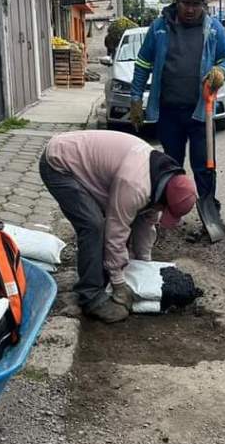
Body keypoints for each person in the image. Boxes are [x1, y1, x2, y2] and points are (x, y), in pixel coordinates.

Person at [39, 130, 197, 323]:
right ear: (165, 199)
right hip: (59, 163)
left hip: (86, 162)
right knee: (94, 226)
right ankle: (91, 296)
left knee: (129, 217)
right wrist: (119, 283)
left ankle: (100, 274)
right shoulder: (135, 185)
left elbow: (146, 226)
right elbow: (115, 233)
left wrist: (143, 266)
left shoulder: (163, 179)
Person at [129, 0, 225, 236]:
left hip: (201, 112)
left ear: (203, 5)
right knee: (170, 165)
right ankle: (168, 215)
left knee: (205, 165)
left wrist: (222, 71)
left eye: (196, 4)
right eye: (186, 3)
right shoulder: (159, 29)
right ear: (177, 1)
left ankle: (210, 214)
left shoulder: (213, 29)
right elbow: (143, 63)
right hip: (168, 111)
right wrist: (135, 98)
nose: (191, 9)